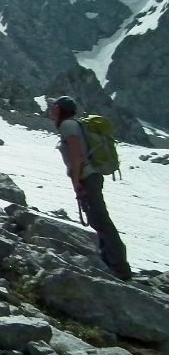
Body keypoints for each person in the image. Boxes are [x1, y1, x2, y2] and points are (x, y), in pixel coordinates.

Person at [48, 96, 132, 280]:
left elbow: (76, 155)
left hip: (87, 177)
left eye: (54, 106)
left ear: (61, 109)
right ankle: (108, 261)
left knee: (100, 220)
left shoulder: (67, 126)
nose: (51, 108)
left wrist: (76, 181)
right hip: (90, 177)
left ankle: (120, 267)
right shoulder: (71, 124)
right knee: (97, 219)